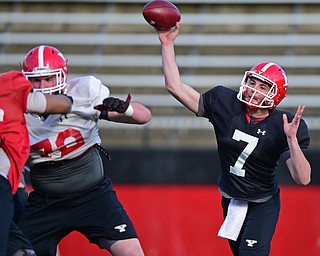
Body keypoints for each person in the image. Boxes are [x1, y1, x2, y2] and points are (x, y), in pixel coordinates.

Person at [155, 22, 311, 256]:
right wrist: (167, 44)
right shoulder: (224, 102)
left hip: (262, 203)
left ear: (275, 93)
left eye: (262, 85)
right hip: (231, 199)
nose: (252, 89)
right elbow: (174, 86)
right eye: (252, 81)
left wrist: (292, 141)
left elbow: (303, 178)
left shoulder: (284, 125)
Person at [15, 45, 151, 256]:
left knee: (132, 252)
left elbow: (144, 117)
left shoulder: (84, 93)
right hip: (45, 202)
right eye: (36, 80)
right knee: (16, 250)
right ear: (26, 80)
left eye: (49, 78)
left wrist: (126, 108)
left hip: (93, 196)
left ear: (62, 76)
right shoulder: (17, 111)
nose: (42, 86)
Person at [0, 70, 72, 256]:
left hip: (10, 185)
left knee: (22, 249)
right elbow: (63, 104)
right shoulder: (8, 86)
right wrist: (70, 101)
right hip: (4, 185)